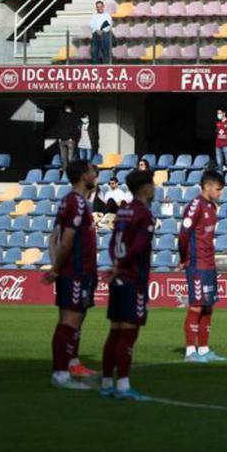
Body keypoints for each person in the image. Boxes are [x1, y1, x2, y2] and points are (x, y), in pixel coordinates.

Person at [98, 170, 154, 400]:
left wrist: (115, 264)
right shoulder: (143, 214)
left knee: (114, 332)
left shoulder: (122, 212)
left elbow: (113, 243)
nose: (154, 188)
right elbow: (139, 246)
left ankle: (106, 383)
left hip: (119, 278)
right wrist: (123, 266)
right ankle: (123, 385)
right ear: (144, 188)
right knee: (129, 334)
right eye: (152, 184)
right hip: (133, 279)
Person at [44, 160, 100, 389]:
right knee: (69, 321)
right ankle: (60, 374)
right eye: (91, 172)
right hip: (75, 271)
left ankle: (72, 363)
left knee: (75, 320)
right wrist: (56, 268)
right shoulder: (75, 202)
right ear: (82, 176)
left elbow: (55, 236)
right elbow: (63, 240)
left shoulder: (78, 202)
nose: (95, 175)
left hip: (83, 270)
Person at [178, 170, 225, 363]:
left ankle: (204, 349)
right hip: (197, 263)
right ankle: (190, 351)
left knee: (208, 306)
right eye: (218, 189)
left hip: (209, 263)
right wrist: (183, 258)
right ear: (207, 187)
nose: (221, 193)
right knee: (196, 305)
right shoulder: (195, 206)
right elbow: (183, 235)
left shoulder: (211, 207)